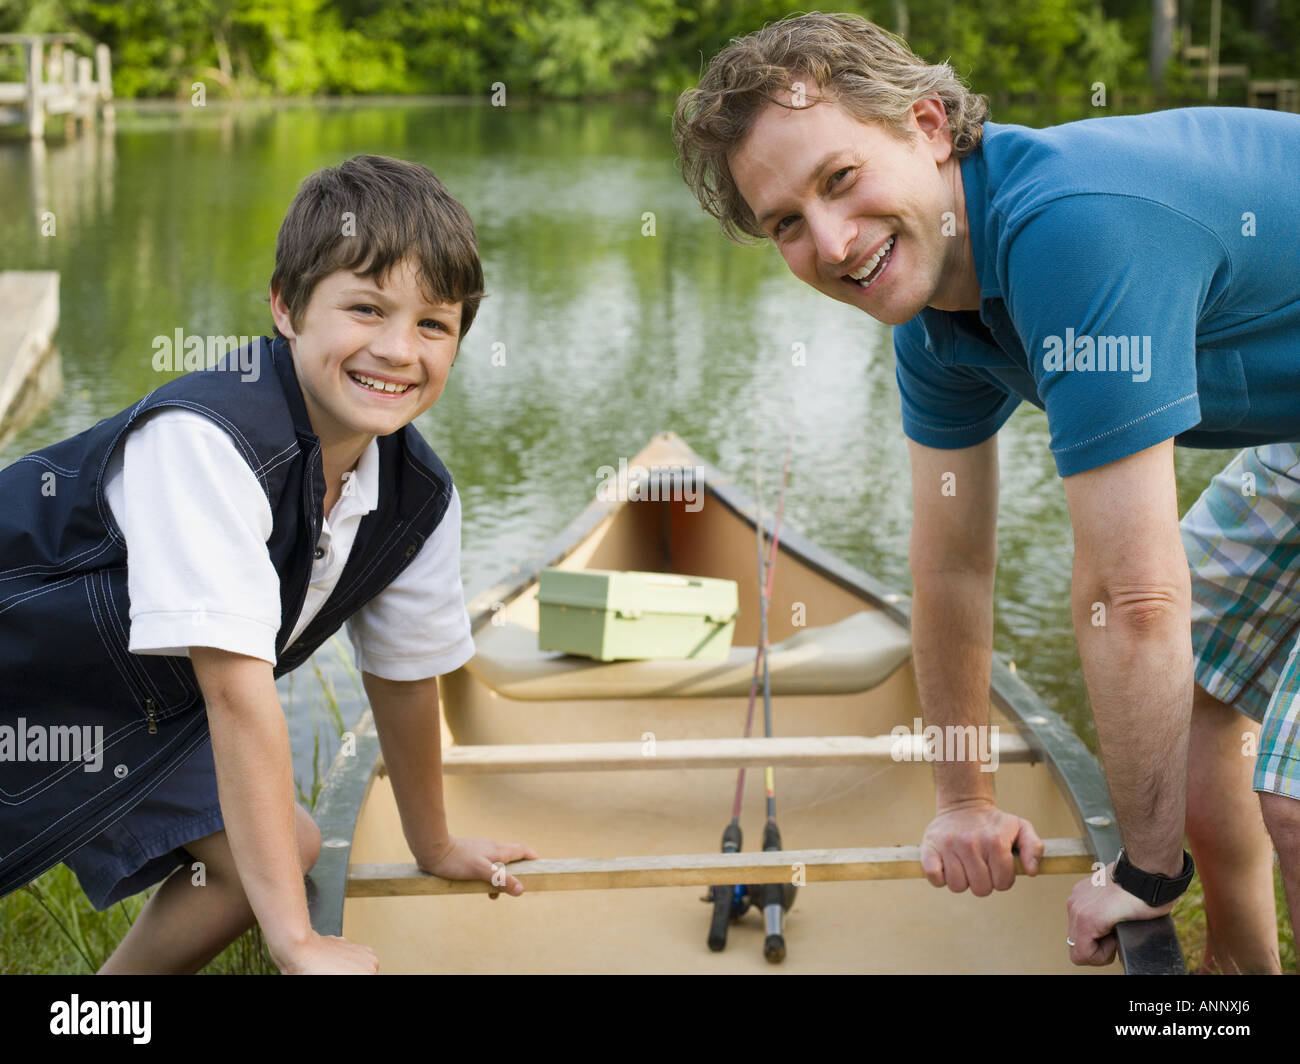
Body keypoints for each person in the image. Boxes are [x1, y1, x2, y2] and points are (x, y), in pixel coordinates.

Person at [673, 12, 1300, 972]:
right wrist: (962, 799)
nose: (834, 243)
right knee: (1192, 686)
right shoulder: (933, 322)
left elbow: (1133, 600)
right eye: (787, 224)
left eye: (841, 180)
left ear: (928, 126)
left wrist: (1142, 874)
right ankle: (1238, 978)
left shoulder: (1069, 231)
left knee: (1292, 797)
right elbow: (954, 569)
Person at [0, 154, 537, 974]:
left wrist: (433, 844)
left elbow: (404, 674)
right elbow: (236, 691)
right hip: (21, 665)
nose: (398, 350)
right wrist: (296, 942)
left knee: (285, 846)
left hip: (109, 708)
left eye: (434, 324)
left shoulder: (417, 494)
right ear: (286, 307)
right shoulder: (207, 443)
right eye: (365, 308)